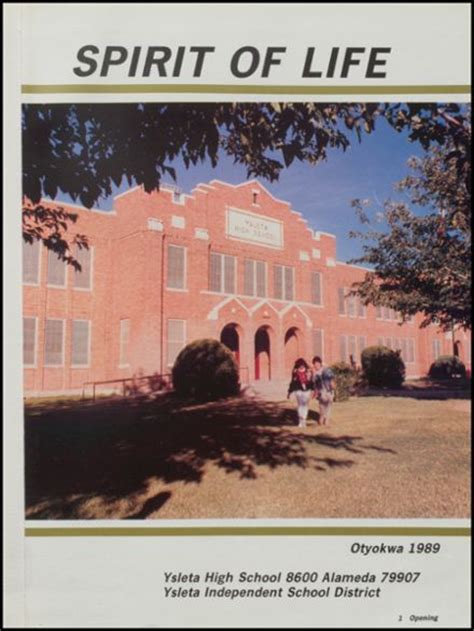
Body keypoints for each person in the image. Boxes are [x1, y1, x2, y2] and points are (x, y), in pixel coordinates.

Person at [287, 358, 313, 428]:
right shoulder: (295, 372)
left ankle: (303, 419)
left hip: (307, 391)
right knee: (300, 405)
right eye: (300, 365)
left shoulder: (308, 371)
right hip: (299, 391)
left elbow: (311, 382)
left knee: (305, 405)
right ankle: (300, 420)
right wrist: (289, 392)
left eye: (302, 365)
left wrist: (313, 389)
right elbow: (292, 382)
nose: (301, 366)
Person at [312, 356, 336, 426]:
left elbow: (331, 378)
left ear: (320, 363)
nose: (316, 365)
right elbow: (314, 383)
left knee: (329, 405)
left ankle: (327, 420)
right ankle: (321, 418)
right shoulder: (315, 373)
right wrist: (315, 392)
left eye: (317, 363)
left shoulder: (326, 370)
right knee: (322, 406)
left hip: (329, 390)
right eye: (315, 364)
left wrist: (333, 384)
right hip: (321, 391)